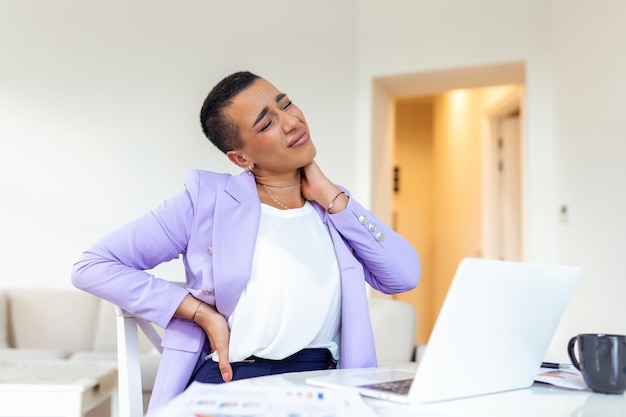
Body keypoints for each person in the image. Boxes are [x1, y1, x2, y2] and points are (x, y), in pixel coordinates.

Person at [71, 71, 421, 412]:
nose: (291, 122)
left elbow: (403, 275)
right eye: (266, 123)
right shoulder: (206, 200)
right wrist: (199, 312)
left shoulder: (333, 209)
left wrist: (332, 195)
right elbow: (93, 266)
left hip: (321, 385)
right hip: (234, 383)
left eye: (286, 104)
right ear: (240, 158)